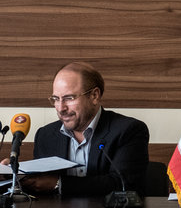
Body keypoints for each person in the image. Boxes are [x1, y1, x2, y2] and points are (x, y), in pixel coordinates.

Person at [23, 62, 149, 196]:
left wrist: (59, 184)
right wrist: (14, 177)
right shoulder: (46, 135)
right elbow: (39, 185)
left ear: (94, 96)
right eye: (55, 99)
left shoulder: (129, 130)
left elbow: (122, 185)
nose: (61, 108)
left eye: (69, 98)